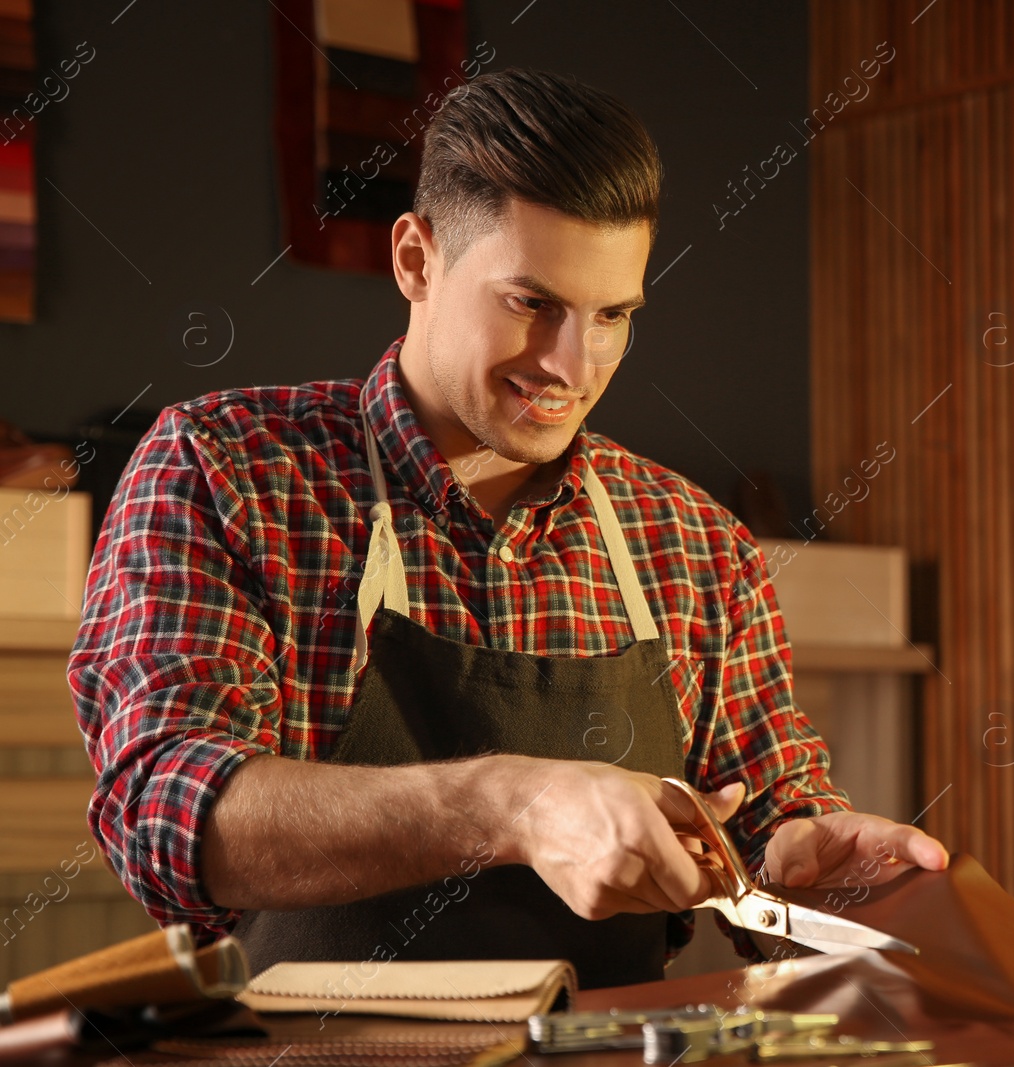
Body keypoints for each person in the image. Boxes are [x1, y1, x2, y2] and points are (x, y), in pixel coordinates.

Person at [67, 68, 948, 988]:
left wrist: (816, 870)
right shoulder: (226, 468)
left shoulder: (695, 542)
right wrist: (516, 805)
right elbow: (165, 816)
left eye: (613, 315)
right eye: (533, 303)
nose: (575, 364)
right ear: (415, 259)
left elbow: (770, 829)